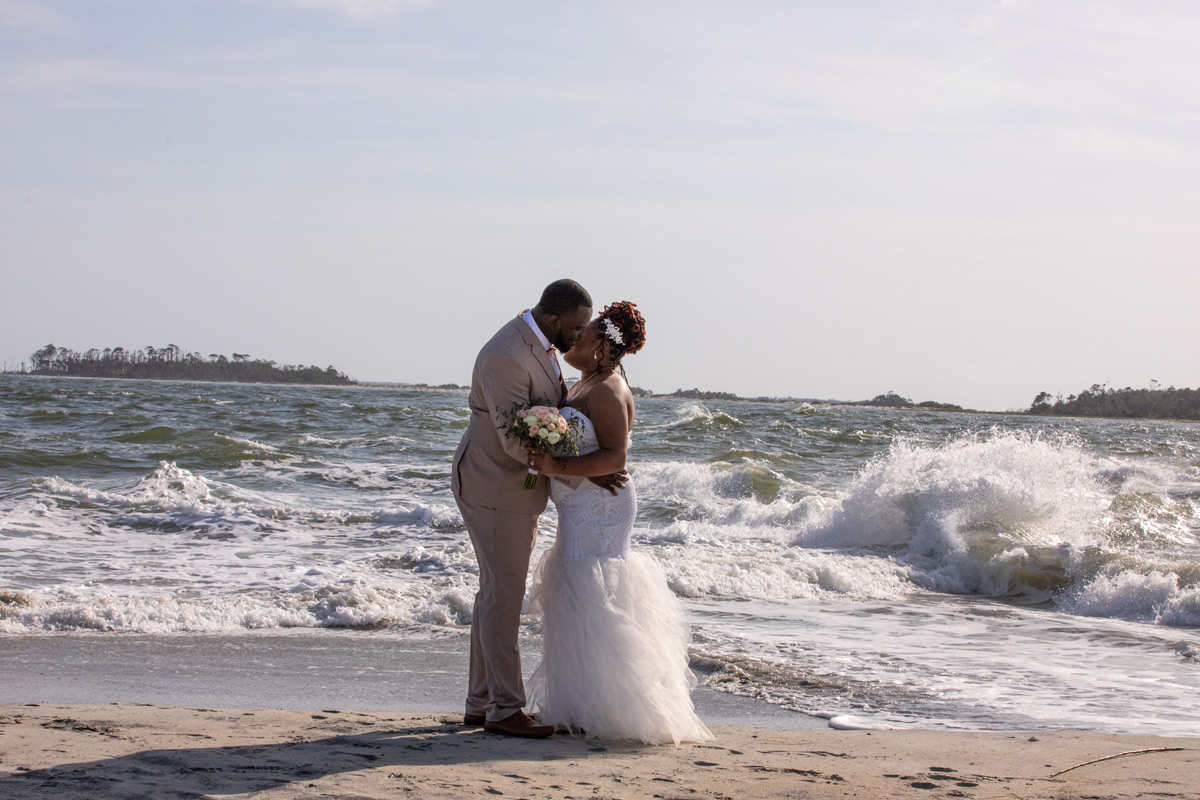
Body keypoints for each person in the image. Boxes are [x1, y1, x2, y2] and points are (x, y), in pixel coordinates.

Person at [525, 302, 714, 746]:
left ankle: (615, 708)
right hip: (581, 503)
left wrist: (553, 463)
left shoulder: (608, 390)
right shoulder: (585, 382)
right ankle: (577, 704)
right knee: (575, 592)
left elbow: (615, 457)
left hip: (601, 507)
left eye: (584, 332)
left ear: (601, 345)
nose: (575, 339)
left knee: (592, 592)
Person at [451, 279, 624, 739]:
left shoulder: (540, 343)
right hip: (495, 487)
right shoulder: (508, 354)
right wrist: (584, 473)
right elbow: (515, 442)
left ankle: (480, 701)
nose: (581, 335)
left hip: (510, 489)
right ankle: (505, 709)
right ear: (553, 320)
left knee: (494, 594)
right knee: (504, 596)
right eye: (578, 327)